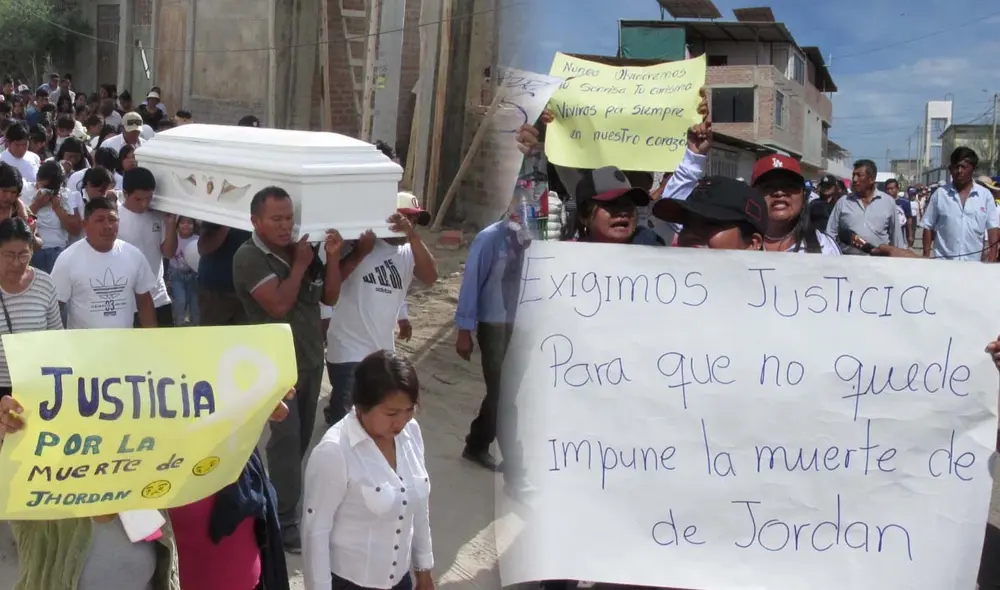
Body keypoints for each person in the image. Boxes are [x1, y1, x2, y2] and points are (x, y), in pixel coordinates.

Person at [232, 186, 344, 552]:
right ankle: (282, 520)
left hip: (310, 360)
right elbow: (278, 305)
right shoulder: (249, 257)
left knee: (299, 437)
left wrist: (332, 258)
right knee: (285, 439)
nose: (284, 226)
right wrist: (298, 264)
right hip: (276, 366)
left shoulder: (301, 250)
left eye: (288, 218)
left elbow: (329, 296)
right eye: (276, 219)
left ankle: (277, 500)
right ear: (255, 221)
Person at [302, 350, 434, 590]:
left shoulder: (411, 433)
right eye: (391, 413)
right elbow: (316, 532)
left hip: (400, 581)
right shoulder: (335, 452)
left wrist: (423, 568)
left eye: (409, 410)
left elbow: (418, 505)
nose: (401, 422)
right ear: (361, 405)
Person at [322, 193, 438, 426]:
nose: (409, 224)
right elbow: (329, 291)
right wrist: (360, 253)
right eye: (404, 218)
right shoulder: (361, 243)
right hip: (347, 348)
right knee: (345, 422)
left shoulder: (408, 251)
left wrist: (413, 236)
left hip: (382, 350)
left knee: (370, 418)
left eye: (414, 220)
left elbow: (431, 276)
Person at [50, 197, 157, 329]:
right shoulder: (68, 259)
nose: (108, 226)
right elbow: (55, 306)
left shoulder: (134, 255)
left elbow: (144, 301)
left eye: (112, 220)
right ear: (85, 225)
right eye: (99, 220)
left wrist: (152, 336)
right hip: (83, 346)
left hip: (124, 345)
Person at [0, 217, 62, 397]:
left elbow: (56, 337)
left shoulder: (44, 283)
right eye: (9, 255)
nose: (17, 262)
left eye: (23, 254)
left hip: (36, 385)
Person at [117, 167, 177, 326]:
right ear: (125, 194)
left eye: (149, 198)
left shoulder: (158, 216)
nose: (144, 203)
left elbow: (169, 253)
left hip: (159, 295)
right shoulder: (115, 219)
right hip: (128, 299)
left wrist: (171, 225)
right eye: (138, 199)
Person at [921, 147, 1000, 262]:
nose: (959, 171)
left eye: (964, 167)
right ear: (950, 169)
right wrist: (925, 256)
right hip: (943, 264)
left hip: (973, 266)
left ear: (973, 168)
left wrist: (992, 261)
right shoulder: (940, 195)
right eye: (956, 167)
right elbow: (928, 226)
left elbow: (993, 230)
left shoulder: (985, 196)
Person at [749, 155, 840, 254]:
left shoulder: (824, 246)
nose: (779, 193)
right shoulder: (736, 243)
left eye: (789, 186)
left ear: (803, 194)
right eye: (768, 187)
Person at [825, 159, 906, 254]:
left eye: (859, 175)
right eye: (853, 175)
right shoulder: (843, 202)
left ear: (871, 179)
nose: (854, 180)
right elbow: (830, 234)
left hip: (879, 263)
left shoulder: (888, 202)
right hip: (848, 263)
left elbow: (896, 238)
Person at [27, 160, 83, 273]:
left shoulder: (66, 194)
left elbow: (75, 230)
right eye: (44, 186)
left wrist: (57, 208)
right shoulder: (25, 191)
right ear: (37, 178)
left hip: (58, 252)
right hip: (33, 250)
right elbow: (22, 222)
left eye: (52, 188)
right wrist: (36, 205)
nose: (47, 190)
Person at [169, 216, 200, 325]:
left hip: (194, 275)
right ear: (177, 226)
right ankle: (179, 325)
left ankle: (196, 327)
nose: (186, 225)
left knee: (195, 303)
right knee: (180, 301)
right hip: (177, 275)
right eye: (182, 222)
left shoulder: (198, 239)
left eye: (189, 222)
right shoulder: (173, 238)